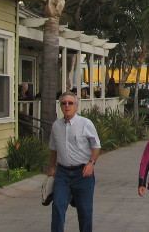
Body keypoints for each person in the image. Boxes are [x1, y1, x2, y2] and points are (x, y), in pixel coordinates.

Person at [47, 92, 101, 232]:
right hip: (62, 174)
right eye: (64, 103)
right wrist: (51, 167)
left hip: (82, 173)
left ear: (76, 106)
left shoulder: (85, 123)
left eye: (70, 103)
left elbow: (96, 146)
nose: (67, 106)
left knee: (84, 210)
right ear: (60, 106)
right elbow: (54, 148)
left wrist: (91, 163)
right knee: (58, 206)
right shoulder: (56, 126)